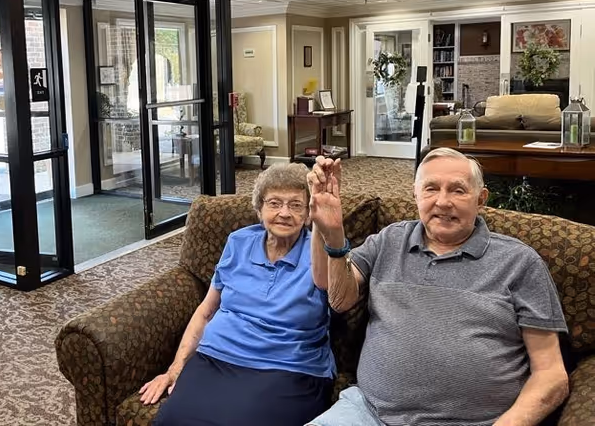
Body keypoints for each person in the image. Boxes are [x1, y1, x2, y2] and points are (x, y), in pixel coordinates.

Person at [307, 148, 569, 426]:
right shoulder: (389, 240)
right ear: (415, 195)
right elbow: (337, 296)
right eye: (431, 188)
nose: (443, 202)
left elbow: (551, 374)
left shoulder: (519, 262)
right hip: (369, 414)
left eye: (458, 190)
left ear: (481, 200)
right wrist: (332, 234)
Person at [141, 163, 336, 426]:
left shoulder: (319, 253)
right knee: (171, 420)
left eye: (296, 205)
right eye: (274, 203)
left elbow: (336, 288)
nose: (284, 213)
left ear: (309, 213)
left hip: (287, 368)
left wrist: (328, 230)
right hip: (216, 358)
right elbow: (206, 311)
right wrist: (175, 369)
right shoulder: (239, 242)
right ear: (259, 209)